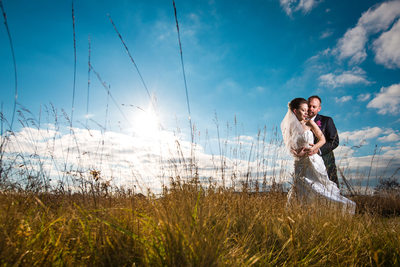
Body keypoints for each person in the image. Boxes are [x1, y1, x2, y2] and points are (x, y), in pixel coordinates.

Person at [281, 98, 355, 213]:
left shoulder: (314, 122)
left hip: (315, 160)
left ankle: (334, 210)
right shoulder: (289, 126)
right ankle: (302, 213)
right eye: (305, 109)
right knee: (301, 188)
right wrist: (295, 153)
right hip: (299, 163)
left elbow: (326, 140)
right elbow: (289, 145)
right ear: (295, 111)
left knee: (320, 187)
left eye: (312, 108)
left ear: (319, 108)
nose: (308, 111)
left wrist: (314, 149)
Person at [307, 96, 339, 187]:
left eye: (314, 107)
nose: (310, 109)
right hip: (307, 161)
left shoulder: (327, 120)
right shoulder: (300, 122)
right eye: (309, 106)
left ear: (319, 108)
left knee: (331, 188)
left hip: (325, 159)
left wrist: (318, 150)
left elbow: (334, 141)